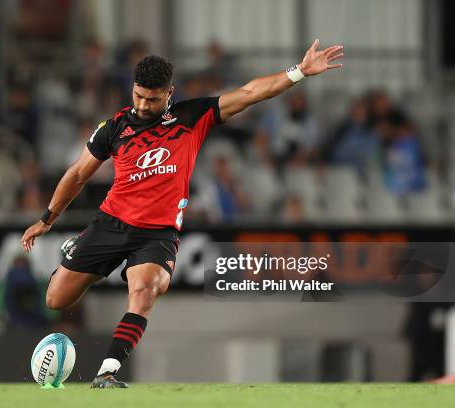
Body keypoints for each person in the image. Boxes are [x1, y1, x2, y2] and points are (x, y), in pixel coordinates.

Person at [21, 39, 344, 388]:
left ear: (169, 93)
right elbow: (77, 174)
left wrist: (299, 72)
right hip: (111, 222)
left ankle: (107, 371)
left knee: (146, 291)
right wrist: (46, 218)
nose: (144, 104)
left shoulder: (192, 116)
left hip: (157, 234)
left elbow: (251, 93)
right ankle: (77, 248)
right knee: (57, 299)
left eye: (153, 98)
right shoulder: (113, 128)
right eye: (139, 95)